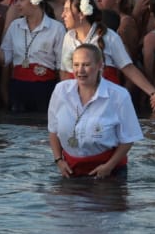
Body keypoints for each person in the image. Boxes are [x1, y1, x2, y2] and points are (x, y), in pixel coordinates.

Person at [47, 42, 141, 178]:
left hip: (108, 170)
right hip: (70, 169)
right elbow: (53, 130)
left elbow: (128, 138)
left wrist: (109, 166)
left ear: (100, 65)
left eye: (86, 65)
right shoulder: (60, 90)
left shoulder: (119, 95)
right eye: (76, 65)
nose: (80, 70)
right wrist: (58, 160)